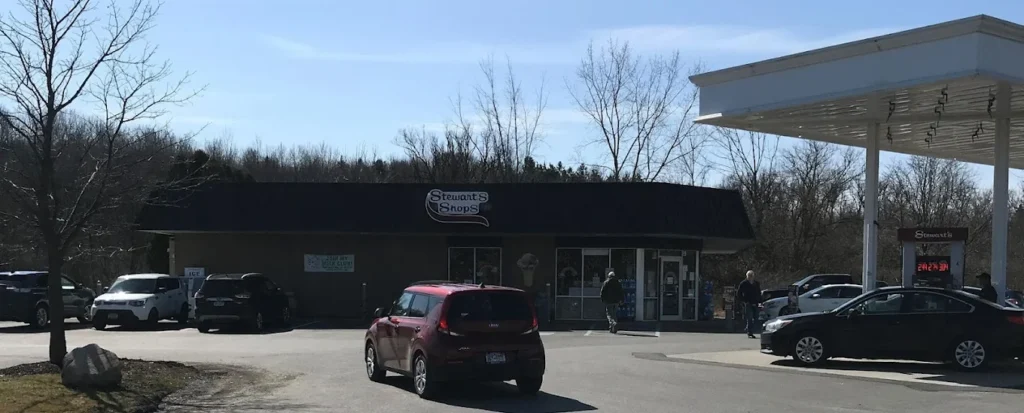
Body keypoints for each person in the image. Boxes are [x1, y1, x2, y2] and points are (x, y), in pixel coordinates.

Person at [736, 270, 763, 339]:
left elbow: (759, 293)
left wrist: (760, 302)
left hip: (756, 303)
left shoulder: (757, 283)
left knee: (756, 318)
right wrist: (744, 301)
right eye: (749, 275)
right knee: (750, 318)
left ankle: (748, 328)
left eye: (752, 275)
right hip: (748, 303)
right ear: (747, 276)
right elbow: (739, 294)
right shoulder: (743, 283)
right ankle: (750, 332)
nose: (750, 277)